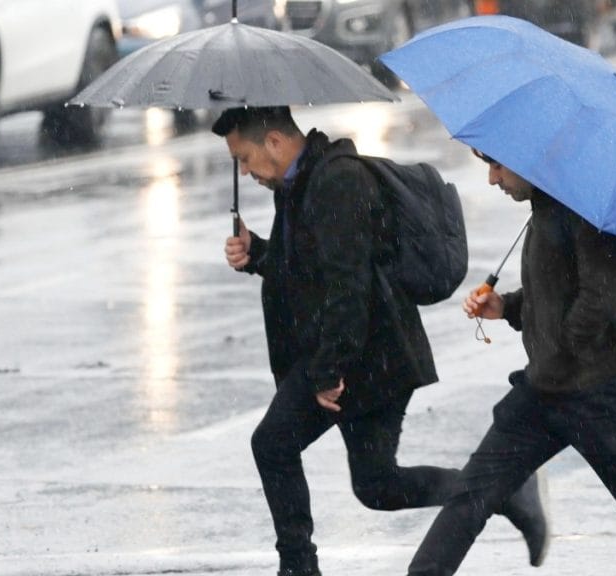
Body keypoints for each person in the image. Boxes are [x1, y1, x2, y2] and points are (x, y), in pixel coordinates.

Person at [214, 106, 547, 576]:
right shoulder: (297, 184)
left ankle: (298, 567)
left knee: (272, 445)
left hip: (367, 355)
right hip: (358, 350)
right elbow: (308, 270)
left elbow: (348, 286)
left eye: (244, 159)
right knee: (378, 486)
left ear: (274, 142)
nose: (245, 172)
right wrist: (259, 255)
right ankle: (506, 491)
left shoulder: (337, 181)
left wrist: (328, 371)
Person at [406, 150, 616, 576]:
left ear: (526, 160)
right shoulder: (545, 208)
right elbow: (556, 293)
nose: (492, 179)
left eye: (498, 166)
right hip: (543, 393)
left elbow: (602, 297)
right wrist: (505, 306)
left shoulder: (581, 211)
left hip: (601, 395)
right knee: (472, 496)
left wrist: (564, 347)